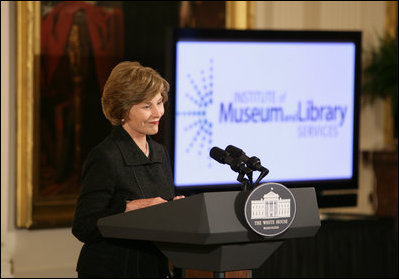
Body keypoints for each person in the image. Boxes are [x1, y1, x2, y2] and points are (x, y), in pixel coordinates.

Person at [72, 61, 184, 278]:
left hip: (154, 267)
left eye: (159, 102)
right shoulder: (106, 156)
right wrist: (127, 208)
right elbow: (83, 226)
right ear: (123, 109)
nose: (157, 113)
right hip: (113, 269)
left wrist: (175, 210)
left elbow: (156, 215)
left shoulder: (160, 153)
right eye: (146, 106)